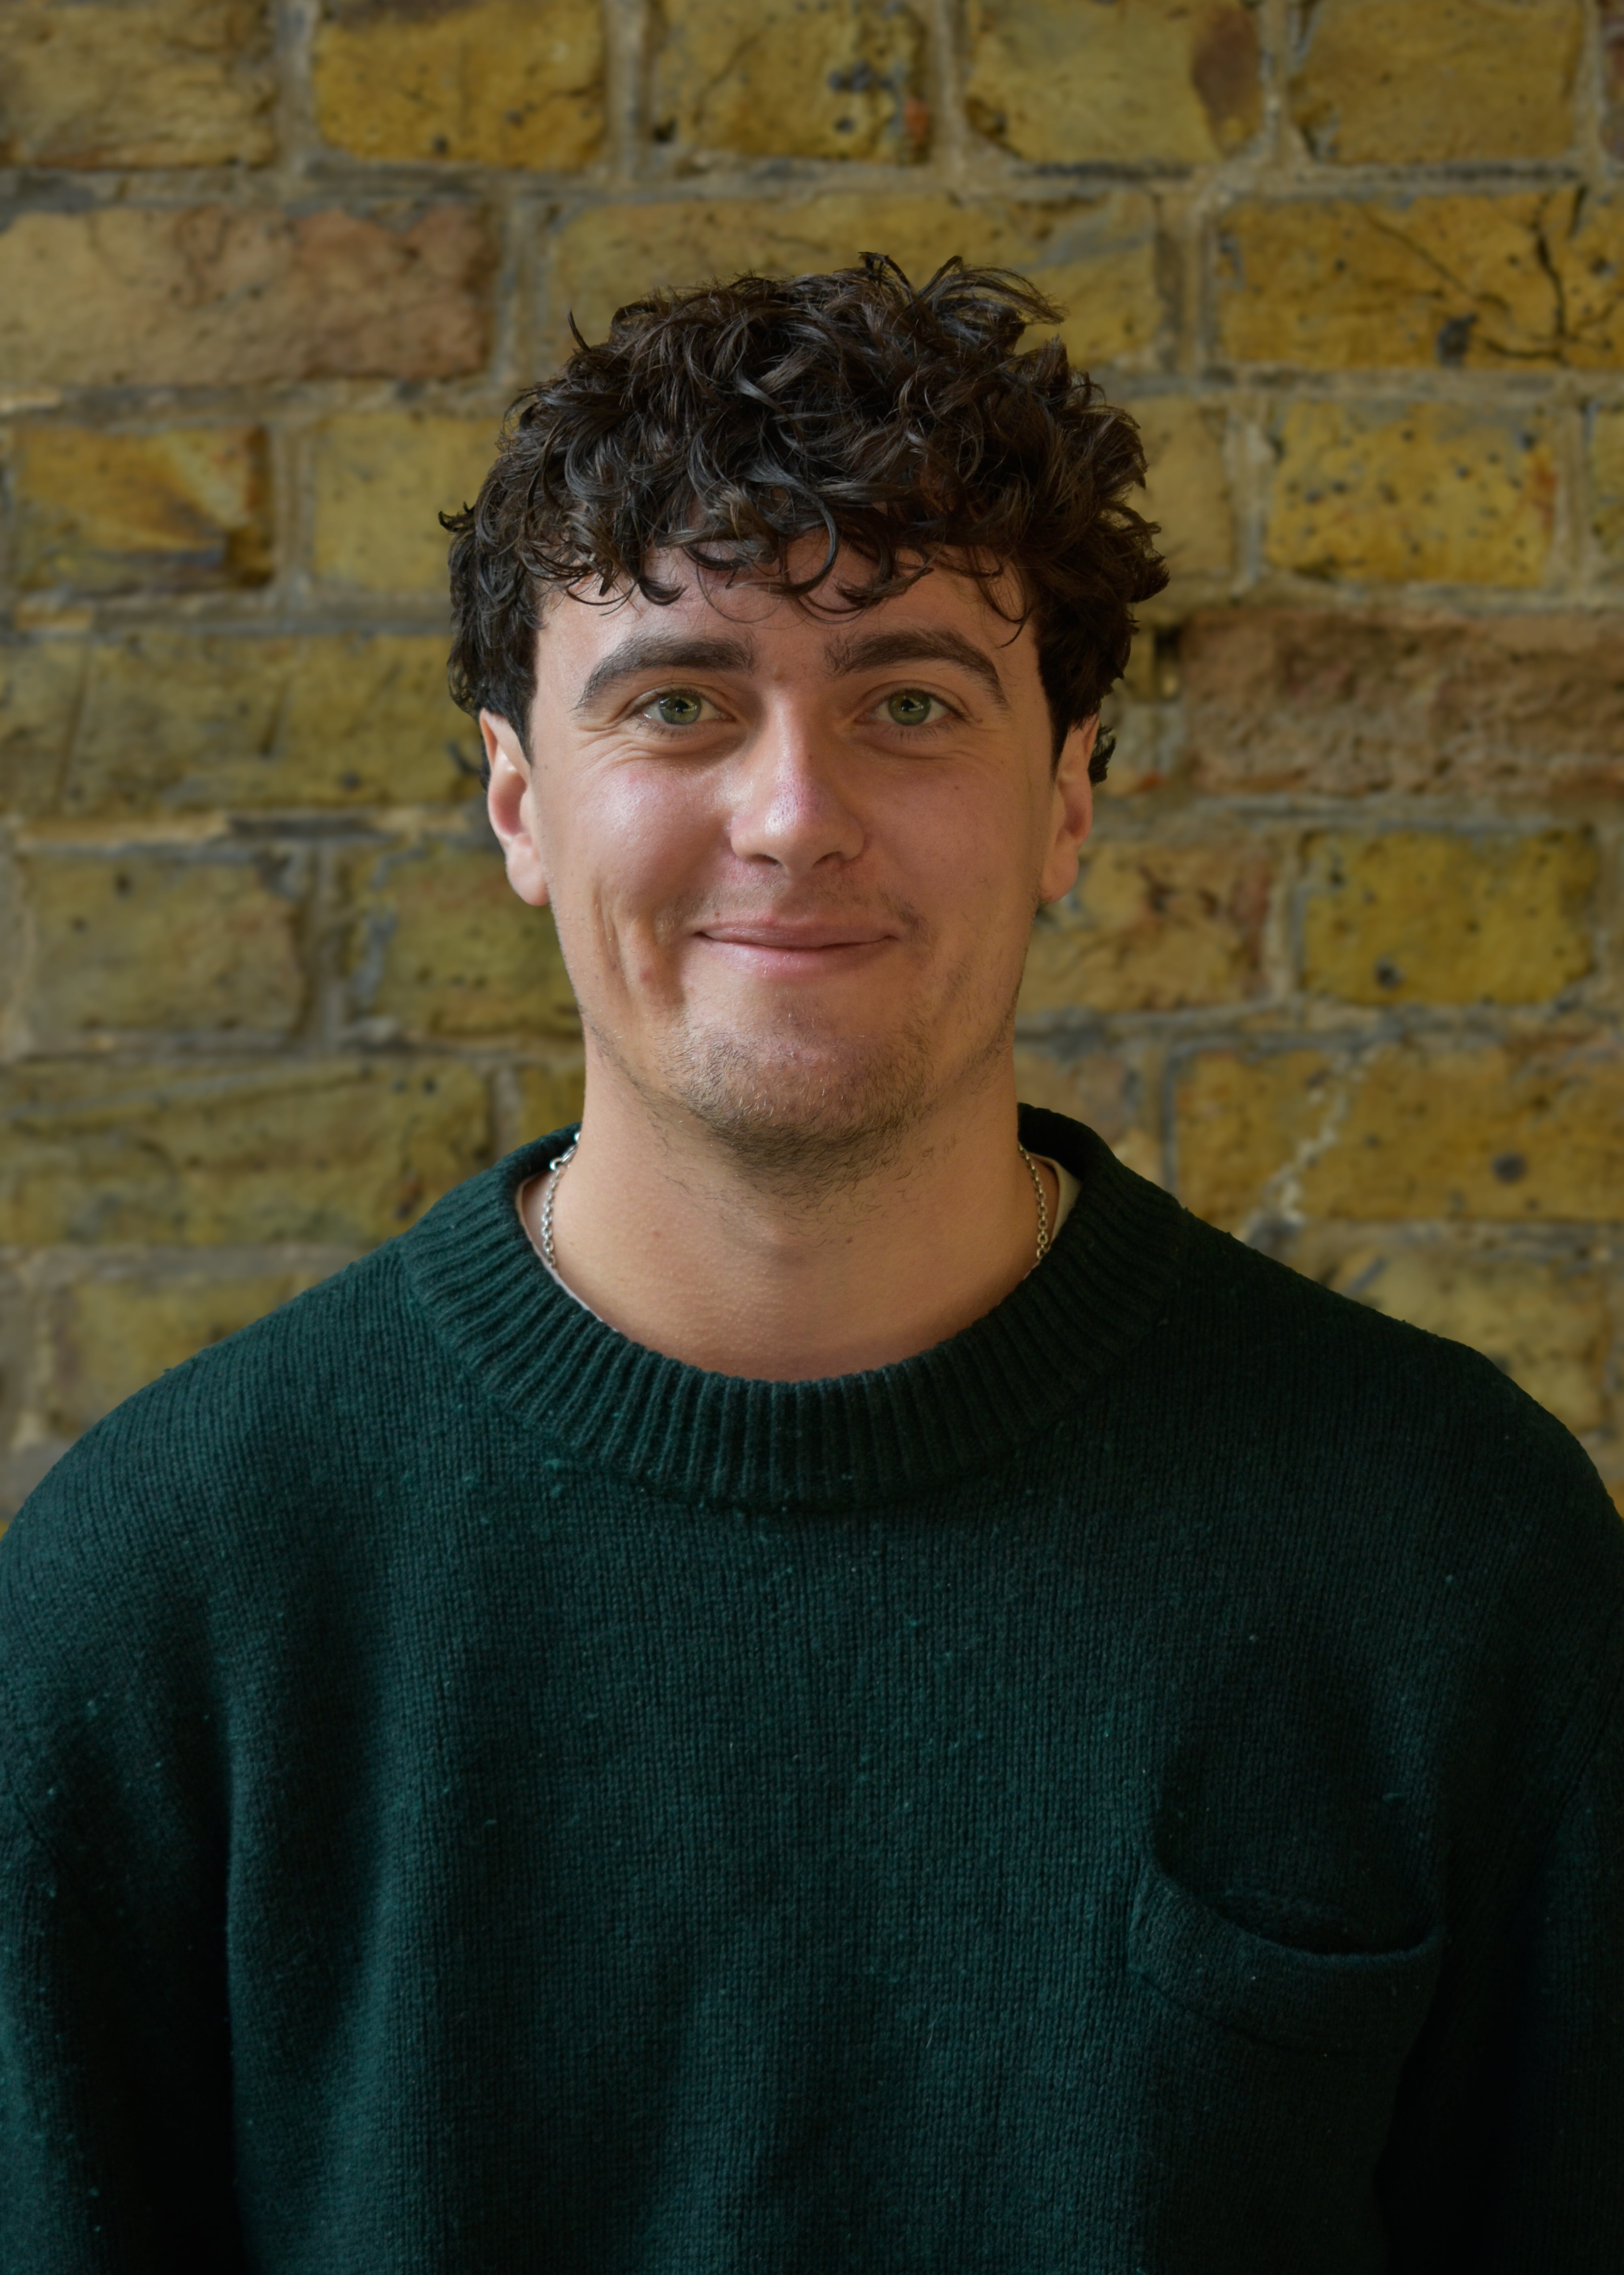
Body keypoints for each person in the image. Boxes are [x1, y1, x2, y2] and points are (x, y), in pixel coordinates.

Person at [1, 256, 1620, 2272]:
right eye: (678, 704)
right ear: (519, 804)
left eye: (909, 704)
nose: (792, 815)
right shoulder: (165, 1597)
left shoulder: (1445, 1553)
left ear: (1067, 798)